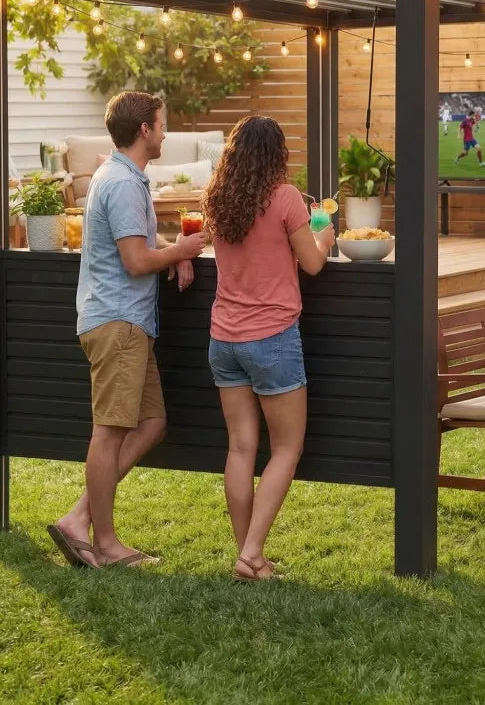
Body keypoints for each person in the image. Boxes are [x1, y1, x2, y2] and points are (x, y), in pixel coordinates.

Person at [49, 92, 206, 569]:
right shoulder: (119, 182)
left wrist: (171, 250)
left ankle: (78, 519)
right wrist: (182, 253)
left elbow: (137, 241)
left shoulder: (123, 177)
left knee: (152, 423)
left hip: (130, 323)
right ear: (144, 130)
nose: (164, 134)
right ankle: (107, 542)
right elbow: (135, 260)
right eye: (161, 125)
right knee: (110, 432)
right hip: (117, 323)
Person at [202, 115, 336, 581]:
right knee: (286, 449)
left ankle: (249, 556)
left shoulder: (218, 200)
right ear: (276, 154)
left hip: (224, 338)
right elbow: (314, 264)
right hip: (272, 338)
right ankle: (251, 553)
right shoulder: (285, 199)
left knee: (240, 448)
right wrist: (326, 233)